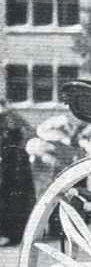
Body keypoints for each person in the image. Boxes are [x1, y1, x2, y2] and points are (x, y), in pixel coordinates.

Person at [0, 97, 35, 247]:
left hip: (12, 165)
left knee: (10, 198)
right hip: (13, 164)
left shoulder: (9, 121)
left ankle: (9, 233)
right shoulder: (13, 118)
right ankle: (13, 233)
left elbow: (9, 143)